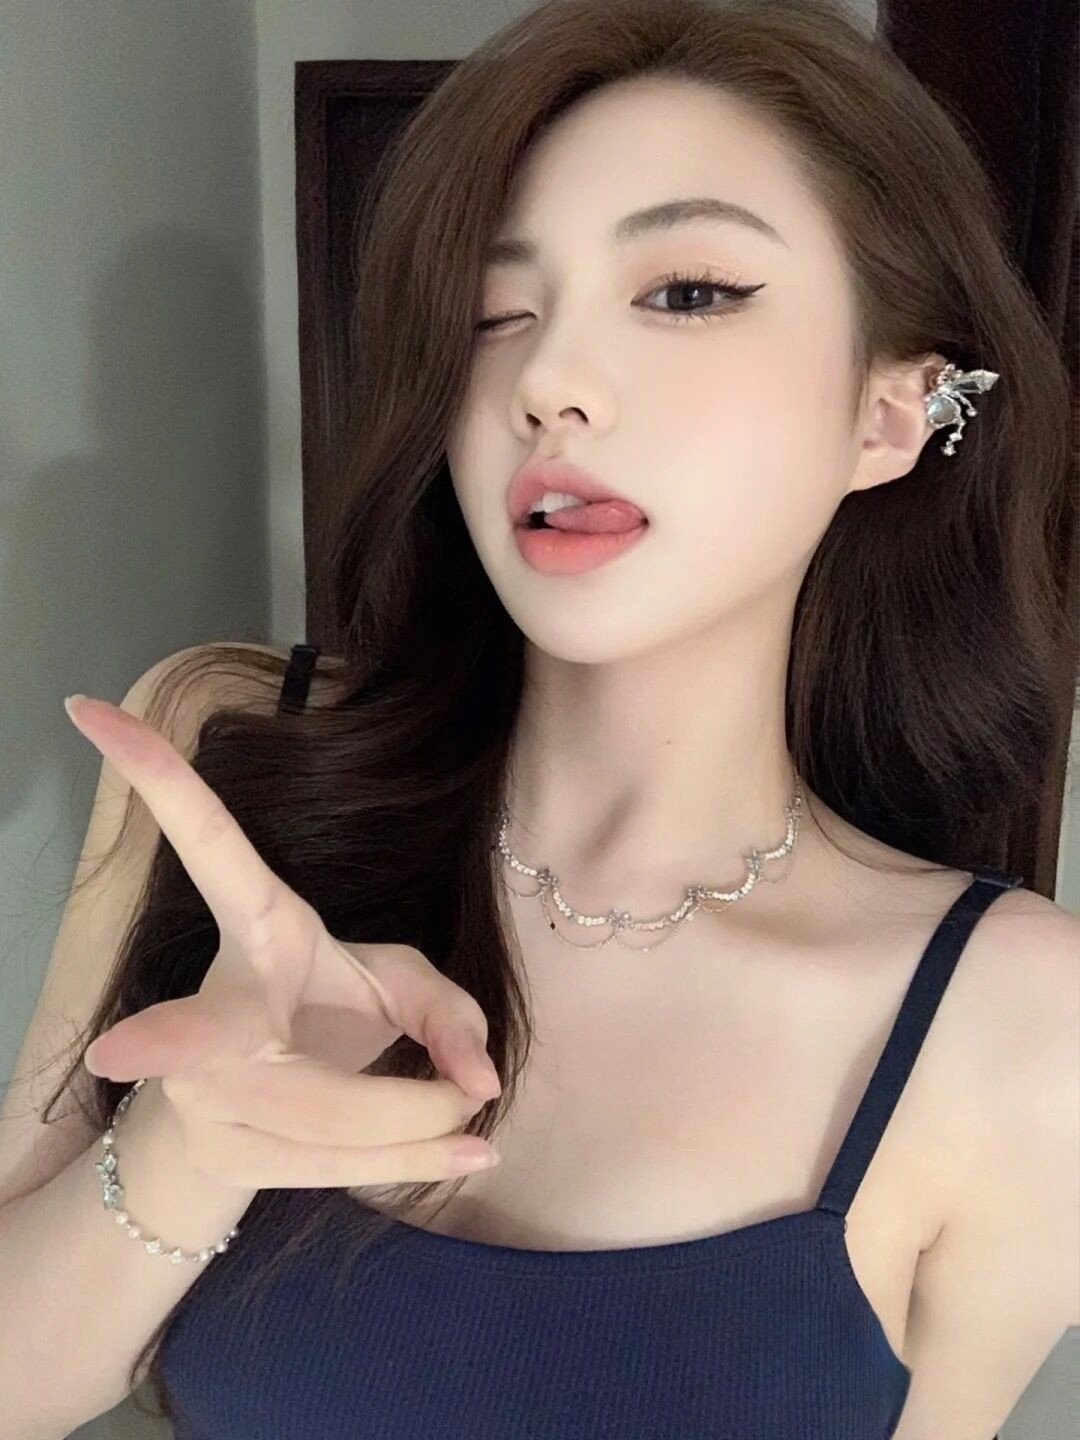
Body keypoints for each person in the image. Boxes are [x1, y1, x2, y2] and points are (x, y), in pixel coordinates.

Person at [1, 1, 1076, 1437]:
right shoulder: (227, 750)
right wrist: (183, 1155)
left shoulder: (1021, 1022)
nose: (547, 384)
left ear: (889, 416)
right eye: (491, 315)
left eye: (687, 292)